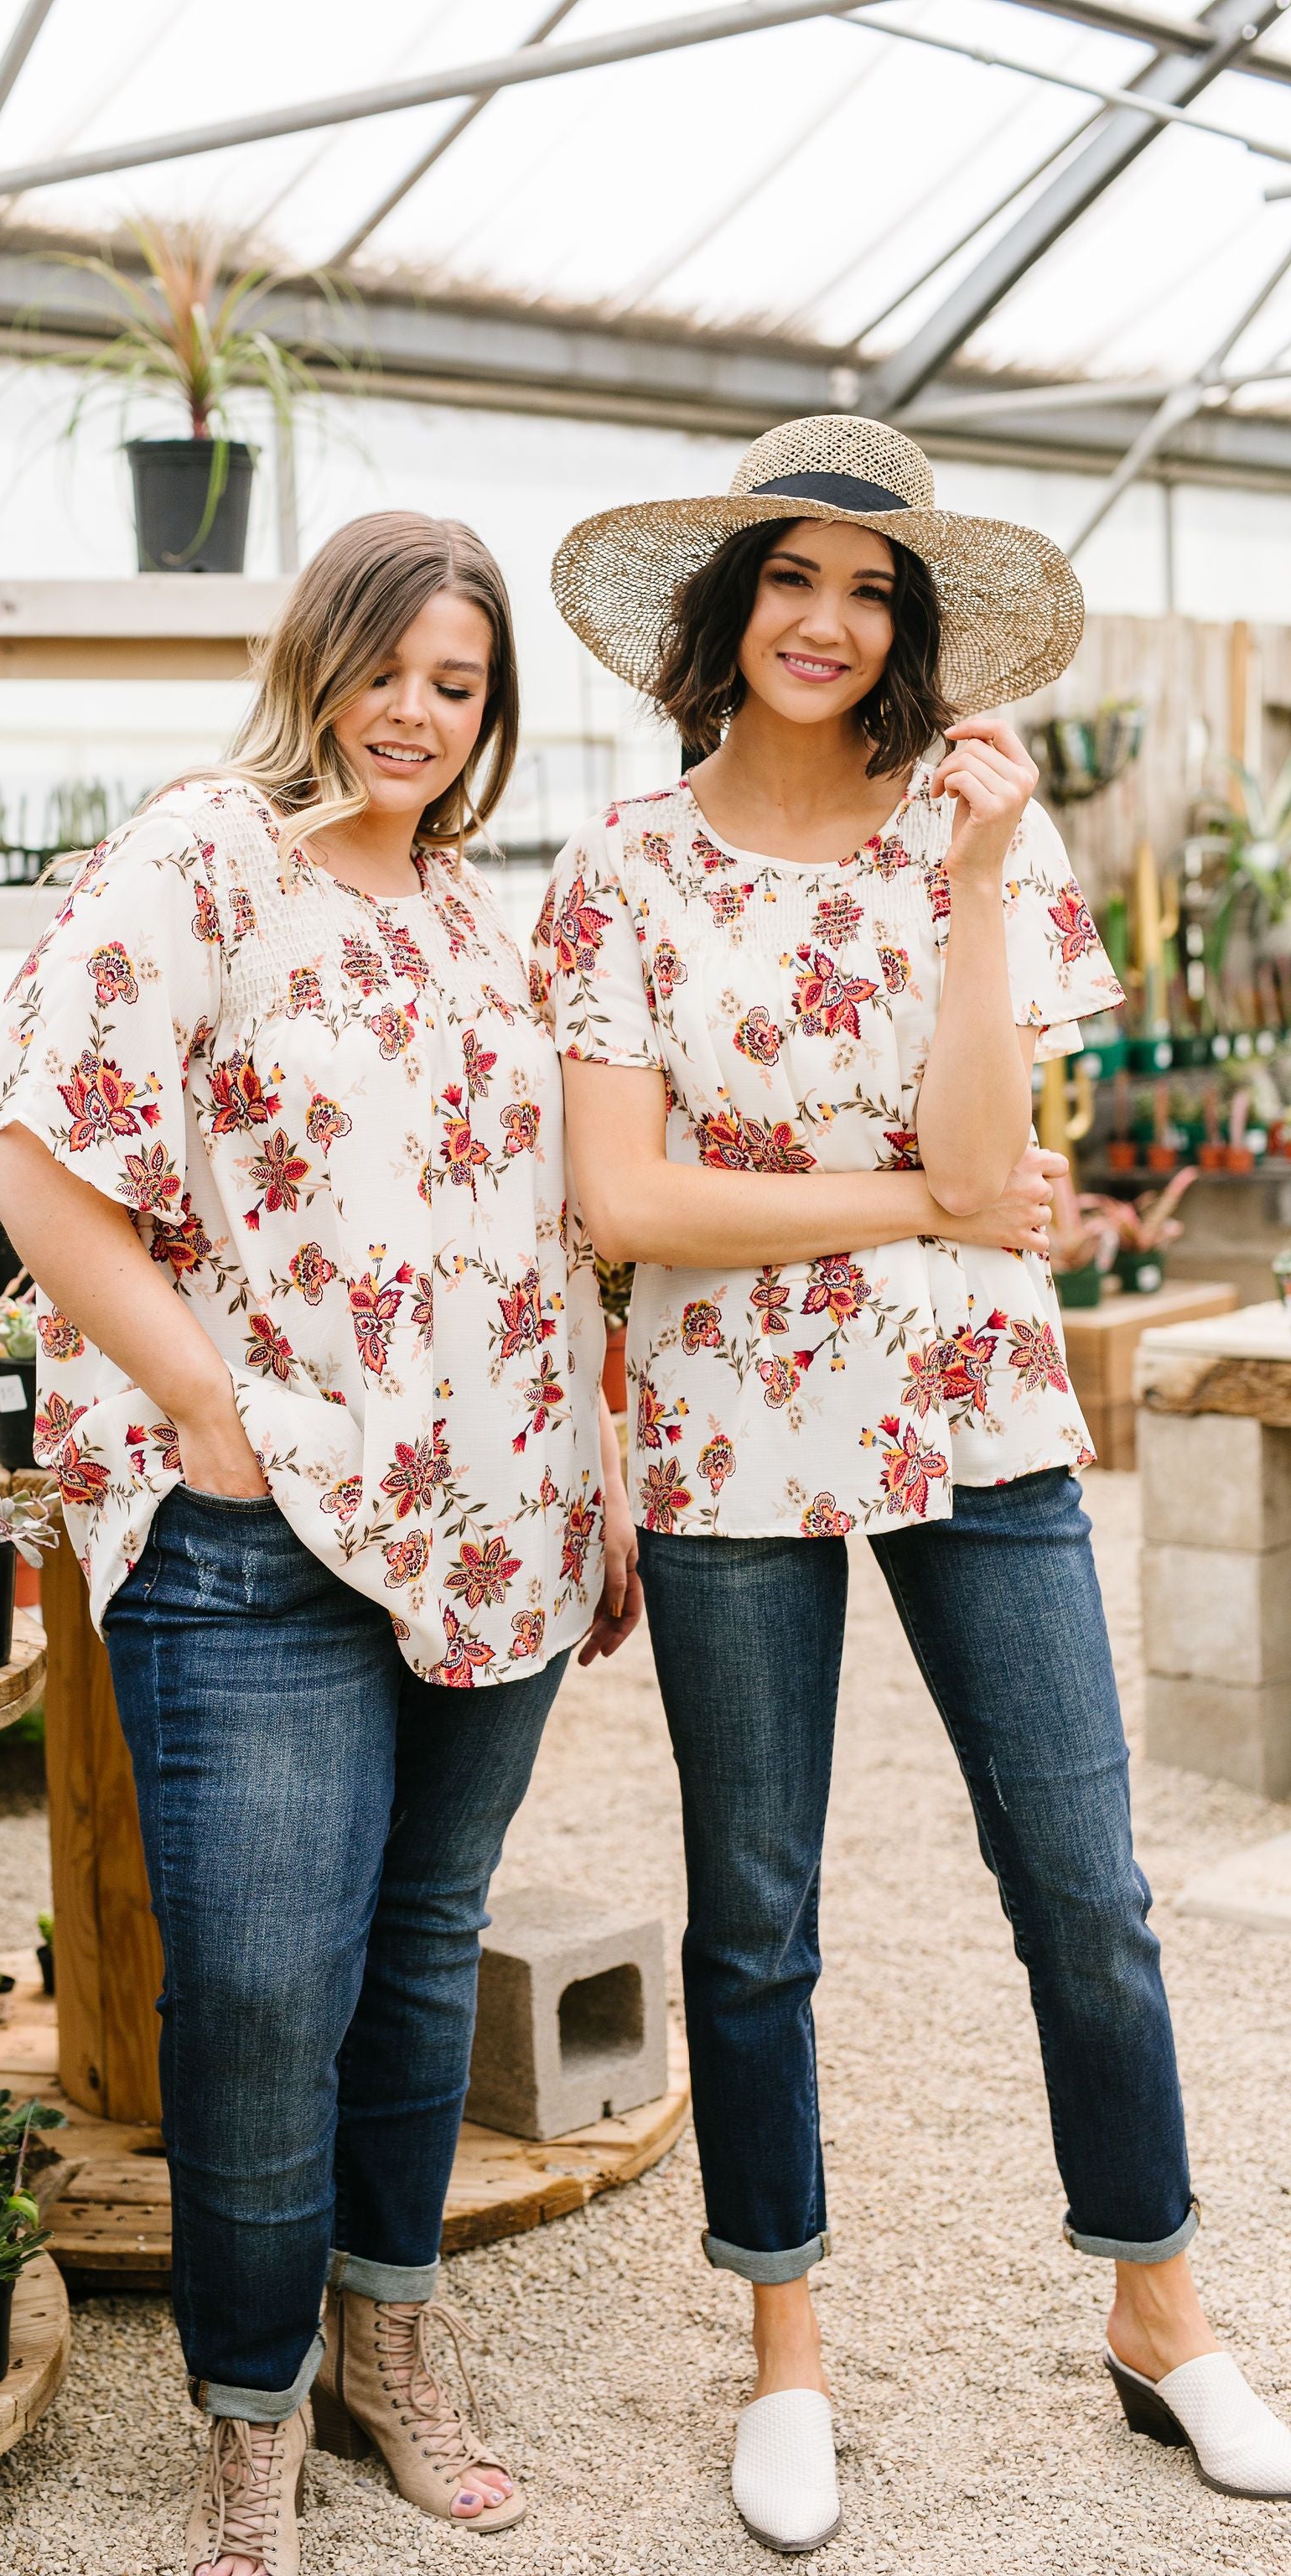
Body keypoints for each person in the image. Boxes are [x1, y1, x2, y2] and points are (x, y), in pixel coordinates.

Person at [538, 414, 1291, 2554]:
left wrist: (963, 891)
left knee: (1088, 1890)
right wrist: (915, 1199)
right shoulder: (617, 870)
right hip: (719, 1444)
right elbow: (625, 1200)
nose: (827, 621)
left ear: (917, 633)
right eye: (793, 577)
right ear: (726, 602)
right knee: (754, 1916)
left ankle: (1159, 2308)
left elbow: (995, 1164)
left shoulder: (988, 848)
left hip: (976, 1411)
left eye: (872, 591)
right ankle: (782, 2349)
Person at [0, 510, 640, 2576]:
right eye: (390, 667)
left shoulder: (471, 913)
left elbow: (550, 1237)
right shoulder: (203, 856)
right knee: (260, 1989)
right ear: (313, 657)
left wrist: (592, 1477)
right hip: (254, 1540)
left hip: (498, 1521)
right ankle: (250, 2411)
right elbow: (24, 1141)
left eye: (461, 682)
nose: (419, 715)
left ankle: (384, 2348)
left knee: (423, 1957)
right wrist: (208, 1409)